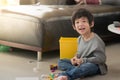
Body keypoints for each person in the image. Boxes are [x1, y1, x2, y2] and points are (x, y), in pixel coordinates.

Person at [54, 8, 108, 80]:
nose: (80, 24)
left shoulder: (97, 41)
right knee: (61, 61)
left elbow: (101, 59)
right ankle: (78, 72)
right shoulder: (79, 38)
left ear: (91, 24)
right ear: (74, 27)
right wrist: (75, 58)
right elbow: (79, 52)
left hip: (95, 65)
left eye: (84, 21)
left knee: (88, 67)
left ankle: (66, 75)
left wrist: (83, 60)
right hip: (81, 63)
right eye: (77, 22)